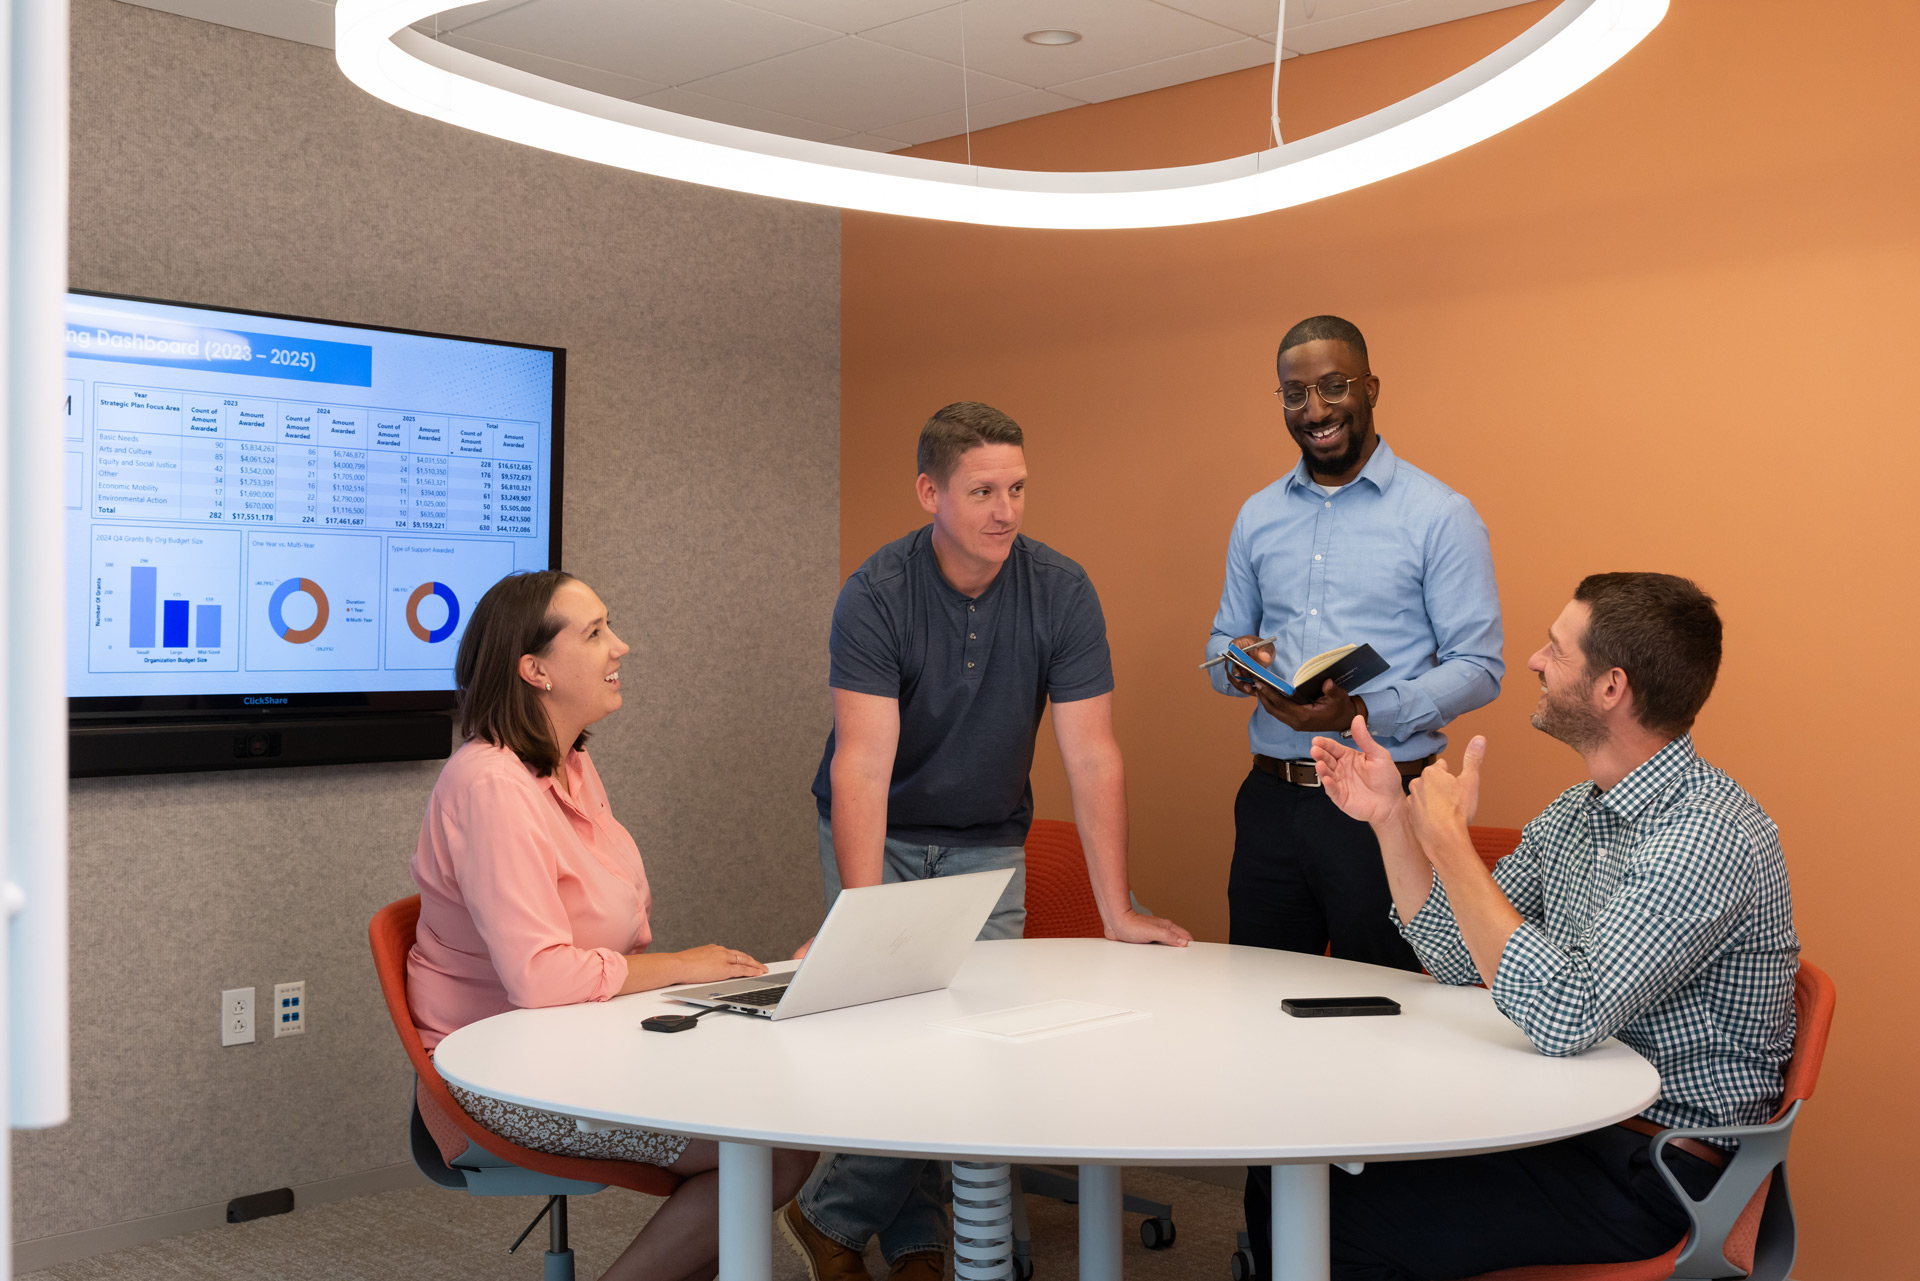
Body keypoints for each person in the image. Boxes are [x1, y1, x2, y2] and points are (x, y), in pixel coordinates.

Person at [782, 402, 1192, 1281]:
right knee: (891, 1035)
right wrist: (862, 915)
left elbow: (1092, 754)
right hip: (880, 829)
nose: (1006, 510)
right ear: (930, 492)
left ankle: (833, 1215)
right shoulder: (879, 591)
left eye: (1016, 488)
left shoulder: (1061, 589)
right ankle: (925, 1239)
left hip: (985, 844)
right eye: (982, 491)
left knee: (962, 1046)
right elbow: (861, 767)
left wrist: (1117, 907)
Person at [1295, 572, 1798, 1279]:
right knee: (1300, 1173)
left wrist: (1450, 844)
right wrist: (1390, 822)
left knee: (1334, 1210)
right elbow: (1458, 956)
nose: (1533, 660)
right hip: (1566, 1117)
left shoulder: (1705, 838)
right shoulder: (1580, 810)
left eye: (1555, 650)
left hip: (1658, 1169)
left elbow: (1564, 1013)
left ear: (1611, 687)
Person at [407, 569, 816, 1281]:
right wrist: (686, 967)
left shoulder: (570, 764)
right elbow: (541, 978)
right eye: (594, 633)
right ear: (534, 669)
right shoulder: (491, 785)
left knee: (777, 1121)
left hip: (580, 1040)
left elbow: (612, 934)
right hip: (502, 1078)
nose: (620, 646)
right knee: (771, 1148)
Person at [1206, 314, 1504, 973]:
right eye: (1294, 392)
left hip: (1387, 804)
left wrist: (1362, 713)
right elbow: (1220, 645)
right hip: (1271, 803)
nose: (1314, 409)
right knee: (1257, 1003)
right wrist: (1240, 665)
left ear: (1370, 387)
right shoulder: (1258, 515)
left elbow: (1480, 667)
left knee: (1391, 1006)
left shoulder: (1439, 514)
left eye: (1333, 385)